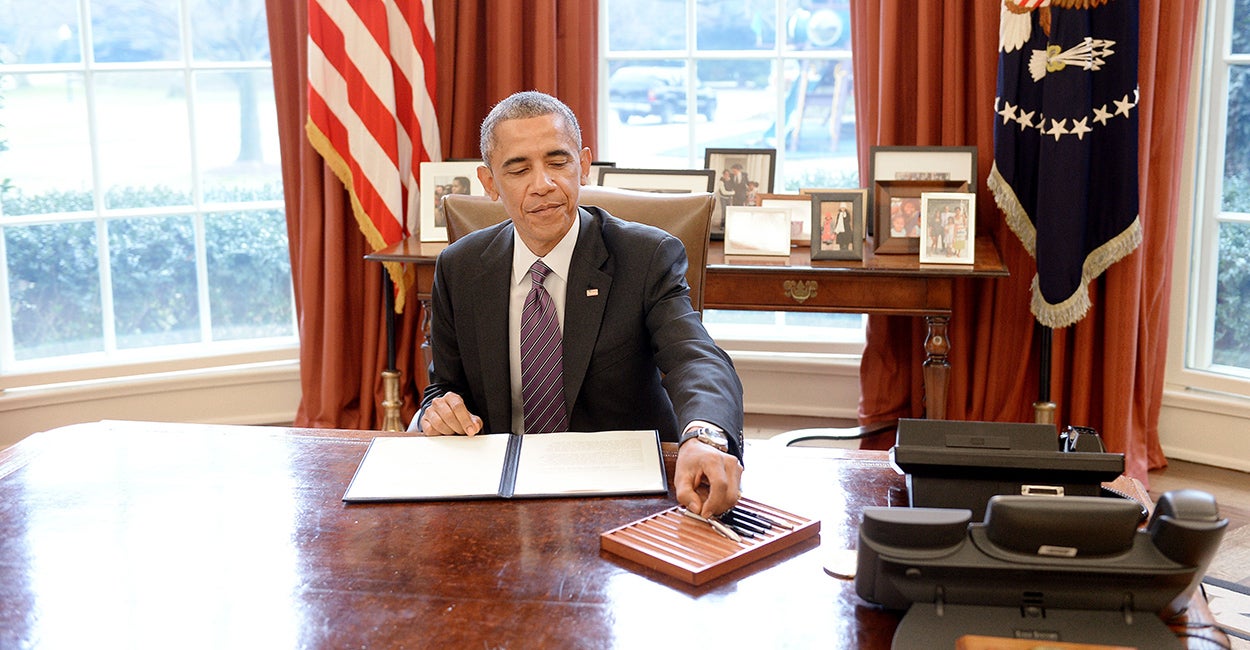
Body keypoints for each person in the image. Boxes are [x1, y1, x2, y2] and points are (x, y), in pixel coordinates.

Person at [412, 91, 745, 517]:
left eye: (558, 162)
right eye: (519, 169)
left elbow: (696, 359)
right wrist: (438, 412)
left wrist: (704, 436)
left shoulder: (644, 257)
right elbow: (444, 387)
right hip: (500, 494)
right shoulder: (460, 268)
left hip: (620, 493)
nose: (543, 184)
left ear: (583, 166)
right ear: (490, 182)